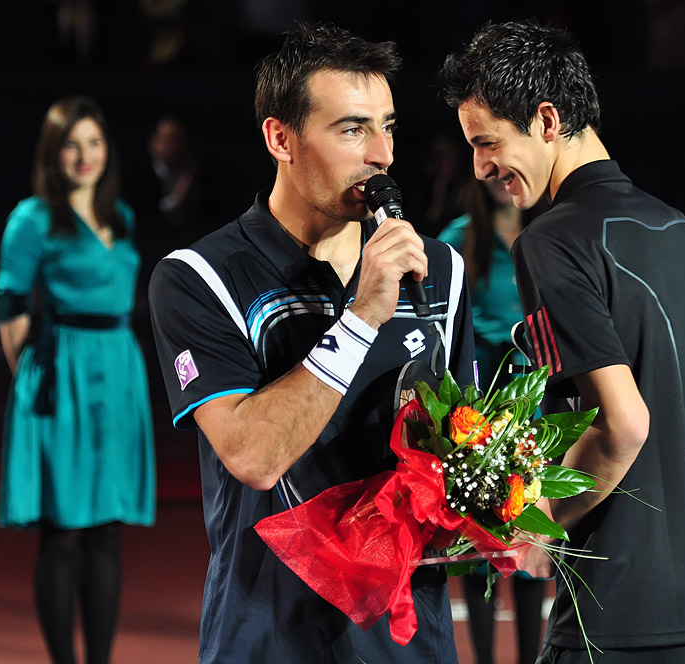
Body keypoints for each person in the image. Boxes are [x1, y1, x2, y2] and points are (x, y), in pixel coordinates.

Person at [440, 20, 685, 664]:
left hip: (629, 612)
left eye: (487, 143)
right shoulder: (683, 230)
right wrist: (664, 459)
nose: (482, 168)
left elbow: (625, 425)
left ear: (546, 120)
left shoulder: (547, 244)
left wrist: (543, 519)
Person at [148, 22, 474, 664]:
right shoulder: (198, 277)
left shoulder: (439, 269)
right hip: (267, 639)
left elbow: (456, 451)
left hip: (410, 643)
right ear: (280, 138)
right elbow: (255, 456)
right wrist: (360, 318)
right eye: (352, 129)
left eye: (387, 126)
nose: (380, 152)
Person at [0, 95, 156, 664]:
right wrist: (34, 380)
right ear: (53, 152)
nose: (84, 155)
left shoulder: (123, 216)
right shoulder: (32, 218)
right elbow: (11, 307)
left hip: (119, 372)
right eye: (71, 144)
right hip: (61, 377)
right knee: (62, 531)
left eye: (93, 142)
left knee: (108, 530)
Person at [439, 177, 547, 664]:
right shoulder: (457, 238)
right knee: (477, 551)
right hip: (476, 415)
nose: (503, 183)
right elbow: (435, 324)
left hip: (534, 410)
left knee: (528, 546)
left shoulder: (547, 232)